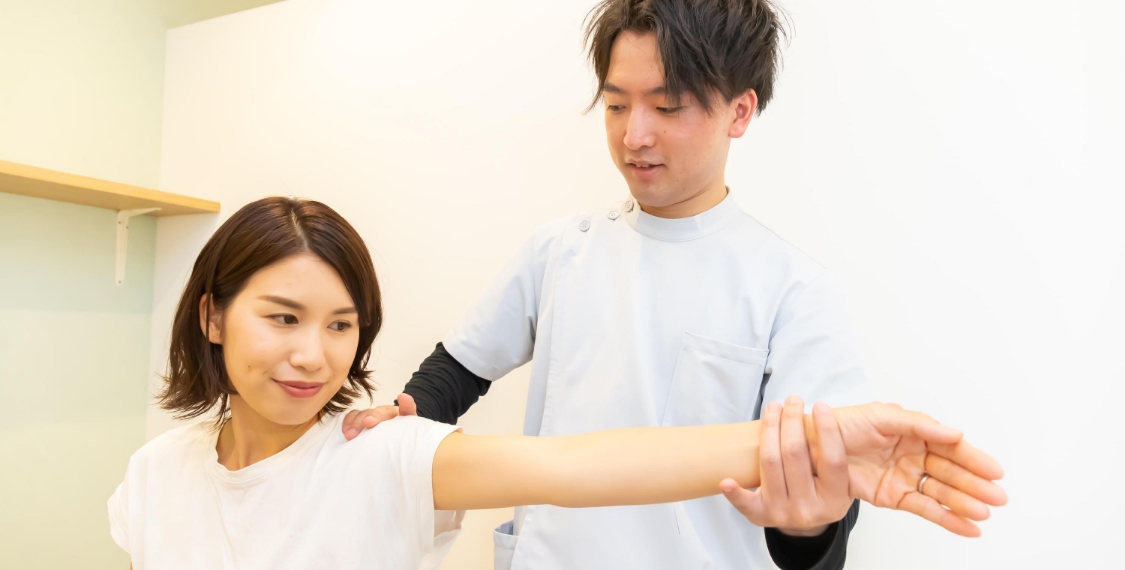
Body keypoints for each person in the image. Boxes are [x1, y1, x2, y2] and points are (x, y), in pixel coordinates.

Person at [109, 197, 1005, 570]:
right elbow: (462, 360)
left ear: (737, 108)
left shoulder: (383, 461)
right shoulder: (157, 473)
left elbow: (580, 466)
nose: (313, 356)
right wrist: (413, 404)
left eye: (341, 326)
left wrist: (828, 444)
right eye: (283, 318)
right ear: (211, 316)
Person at [341, 1, 893, 568]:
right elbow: (460, 366)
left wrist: (810, 525)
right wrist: (405, 418)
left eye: (667, 106)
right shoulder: (561, 249)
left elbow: (821, 502)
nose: (634, 135)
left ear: (740, 110)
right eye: (616, 105)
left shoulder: (793, 290)